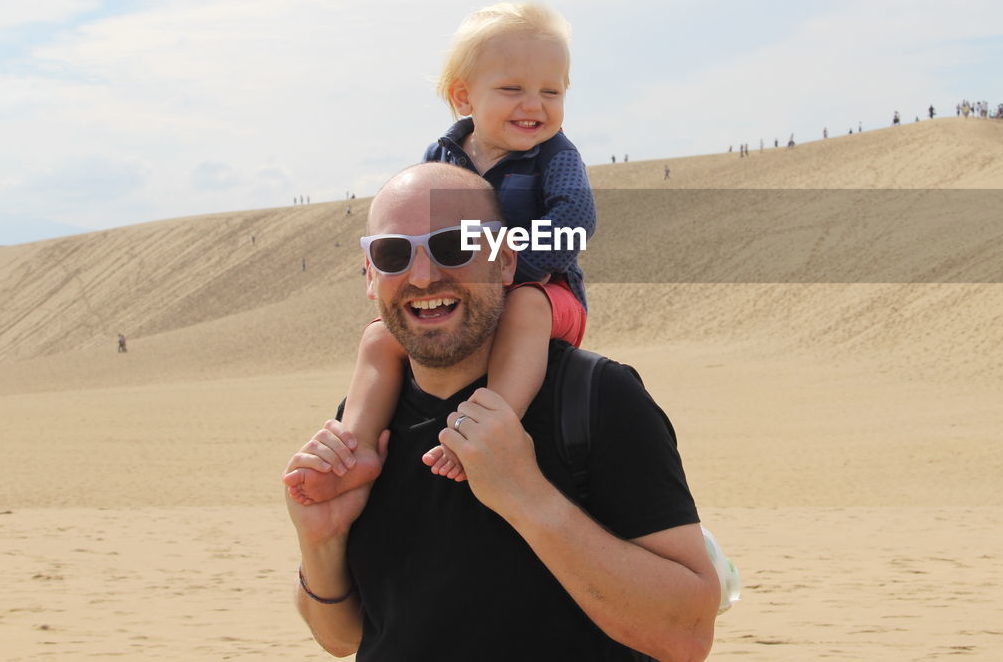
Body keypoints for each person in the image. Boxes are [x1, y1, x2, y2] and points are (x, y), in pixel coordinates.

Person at [283, 163, 718, 659]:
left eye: (454, 246)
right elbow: (343, 638)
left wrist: (526, 496)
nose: (423, 275)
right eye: (393, 253)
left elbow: (687, 634)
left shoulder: (595, 396)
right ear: (370, 276)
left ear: (506, 261)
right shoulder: (366, 423)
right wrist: (321, 540)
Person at [286, 2, 594, 504]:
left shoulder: (557, 156)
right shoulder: (442, 157)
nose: (534, 105)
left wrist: (506, 268)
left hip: (547, 292)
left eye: (551, 91)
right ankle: (356, 445)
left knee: (524, 307)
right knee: (379, 338)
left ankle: (490, 426)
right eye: (512, 89)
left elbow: (576, 225)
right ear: (462, 96)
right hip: (466, 292)